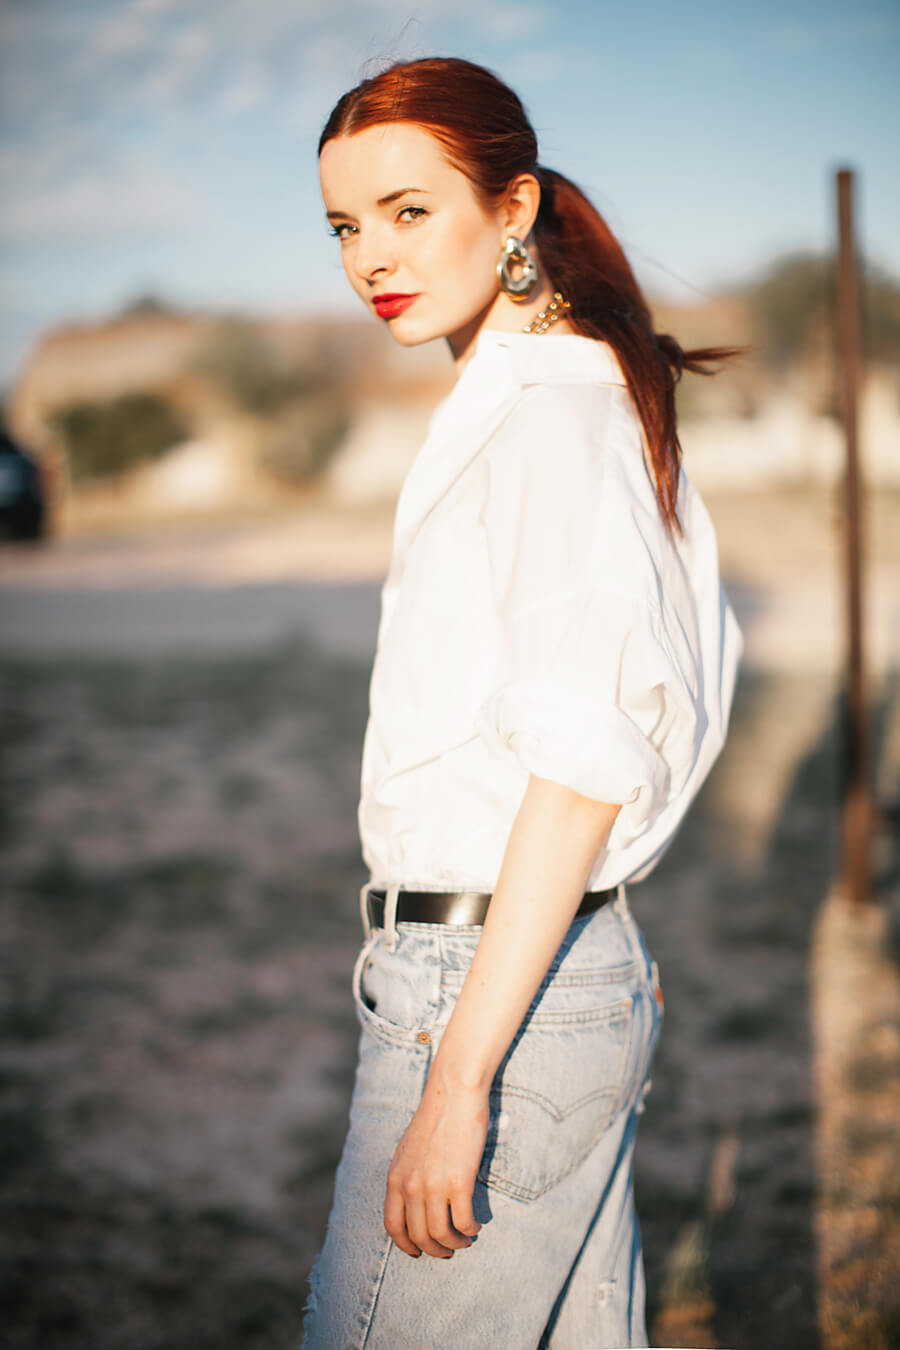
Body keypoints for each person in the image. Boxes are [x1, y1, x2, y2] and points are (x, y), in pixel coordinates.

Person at [302, 55, 743, 1350]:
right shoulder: (540, 398)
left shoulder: (552, 417)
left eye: (408, 209)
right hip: (536, 974)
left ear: (514, 206)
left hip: (490, 994)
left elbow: (582, 767)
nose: (371, 256)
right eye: (344, 225)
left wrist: (457, 1082)